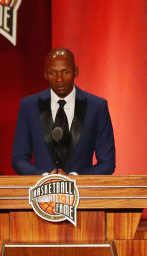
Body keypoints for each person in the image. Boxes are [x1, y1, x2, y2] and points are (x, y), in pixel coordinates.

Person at [11, 47, 116, 175]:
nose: (59, 79)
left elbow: (108, 163)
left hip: (82, 192)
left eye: (65, 72)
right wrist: (45, 178)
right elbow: (19, 159)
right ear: (45, 74)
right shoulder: (29, 106)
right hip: (40, 192)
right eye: (53, 73)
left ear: (76, 71)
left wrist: (74, 178)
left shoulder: (97, 107)